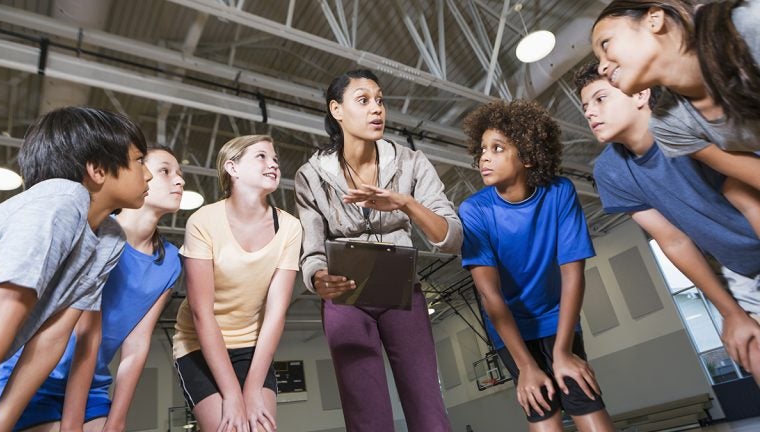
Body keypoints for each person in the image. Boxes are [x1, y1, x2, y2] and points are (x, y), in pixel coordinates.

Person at [294, 69, 461, 432]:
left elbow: (452, 238)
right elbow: (311, 250)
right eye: (364, 100)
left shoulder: (412, 162)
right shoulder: (310, 176)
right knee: (365, 415)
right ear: (336, 110)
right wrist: (317, 278)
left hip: (402, 292)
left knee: (428, 409)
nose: (377, 109)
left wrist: (406, 204)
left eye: (380, 100)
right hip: (345, 296)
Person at [575, 61, 760, 385]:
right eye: (585, 106)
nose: (590, 112)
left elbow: (748, 200)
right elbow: (672, 240)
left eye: (600, 99)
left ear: (640, 94)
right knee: (753, 350)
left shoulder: (686, 120)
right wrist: (730, 312)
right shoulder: (611, 171)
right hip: (739, 267)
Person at [0, 144, 186, 431]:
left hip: (91, 386)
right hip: (32, 374)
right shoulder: (96, 232)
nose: (180, 180)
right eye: (165, 171)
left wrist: (117, 419)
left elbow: (137, 344)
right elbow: (81, 332)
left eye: (180, 173)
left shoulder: (170, 261)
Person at [459, 100, 614, 431]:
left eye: (497, 148)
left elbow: (572, 275)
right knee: (543, 412)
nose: (484, 157)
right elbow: (490, 297)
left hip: (559, 321)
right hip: (511, 330)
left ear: (528, 156)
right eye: (482, 149)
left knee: (585, 397)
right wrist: (525, 365)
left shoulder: (559, 192)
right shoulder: (474, 211)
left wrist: (563, 352)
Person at [591, 0, 760, 235]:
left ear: (654, 19)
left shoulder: (749, 26)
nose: (601, 68)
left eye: (605, 43)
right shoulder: (670, 126)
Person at [173, 135, 301, 432]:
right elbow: (201, 313)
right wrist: (232, 394)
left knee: (260, 427)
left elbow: (275, 313)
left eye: (275, 160)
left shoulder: (290, 228)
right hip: (199, 345)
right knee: (231, 428)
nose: (272, 164)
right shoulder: (202, 222)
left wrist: (253, 388)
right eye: (261, 156)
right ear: (232, 168)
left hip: (252, 345)